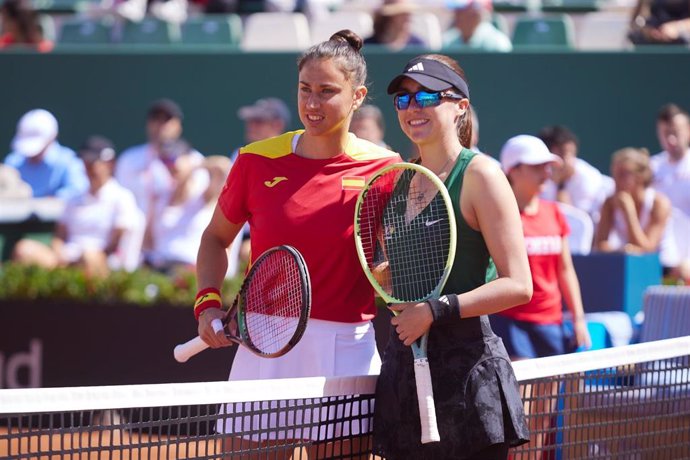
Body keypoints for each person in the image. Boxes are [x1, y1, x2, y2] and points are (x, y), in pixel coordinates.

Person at [194, 30, 400, 453]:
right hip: (264, 340)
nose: (311, 104)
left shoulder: (386, 167)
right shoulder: (255, 159)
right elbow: (216, 238)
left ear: (358, 96)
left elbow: (396, 261)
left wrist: (390, 278)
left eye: (327, 92)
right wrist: (207, 304)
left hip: (347, 346)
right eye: (305, 90)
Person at [374, 54, 532, 460]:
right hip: (405, 372)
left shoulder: (482, 175)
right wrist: (387, 280)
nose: (413, 108)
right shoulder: (401, 180)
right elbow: (402, 276)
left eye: (427, 96)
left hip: (467, 375)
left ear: (461, 106)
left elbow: (518, 284)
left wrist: (435, 310)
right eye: (404, 100)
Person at [493, 134, 591, 458]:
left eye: (548, 168)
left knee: (545, 413)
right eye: (538, 167)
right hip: (513, 323)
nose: (546, 174)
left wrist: (577, 319)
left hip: (551, 324)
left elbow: (565, 270)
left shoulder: (554, 213)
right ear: (515, 170)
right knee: (524, 409)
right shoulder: (500, 216)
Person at [11, 136, 141, 277]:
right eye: (86, 162)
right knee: (24, 249)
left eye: (94, 162)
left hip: (102, 264)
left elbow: (117, 241)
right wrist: (60, 253)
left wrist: (91, 257)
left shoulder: (122, 197)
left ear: (109, 164)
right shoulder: (74, 199)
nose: (89, 168)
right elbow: (59, 235)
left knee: (89, 258)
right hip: (68, 262)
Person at [115, 99, 206, 219]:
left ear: (178, 126)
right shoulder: (129, 159)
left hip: (176, 232)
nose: (160, 125)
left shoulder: (195, 160)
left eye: (167, 119)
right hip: (136, 232)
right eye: (155, 119)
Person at [594, 147, 672, 256]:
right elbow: (599, 245)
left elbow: (647, 249)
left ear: (639, 177)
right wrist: (622, 251)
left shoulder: (659, 204)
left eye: (622, 174)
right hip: (628, 265)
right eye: (614, 174)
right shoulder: (609, 203)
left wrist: (629, 212)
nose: (615, 180)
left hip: (664, 267)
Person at [4, 109, 88, 200]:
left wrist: (51, 200)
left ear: (52, 137)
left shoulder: (69, 161)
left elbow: (77, 190)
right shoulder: (12, 162)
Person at [538, 124, 614, 223]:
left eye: (570, 153)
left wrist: (561, 187)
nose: (567, 160)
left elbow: (575, 225)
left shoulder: (589, 178)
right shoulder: (539, 174)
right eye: (561, 154)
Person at [651, 103, 690, 218]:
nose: (671, 139)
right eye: (666, 133)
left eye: (675, 132)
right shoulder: (650, 168)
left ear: (688, 130)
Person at [443, 0, 512, 52]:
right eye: (457, 11)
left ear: (477, 14)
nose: (457, 15)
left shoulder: (497, 43)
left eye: (462, 11)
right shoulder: (448, 42)